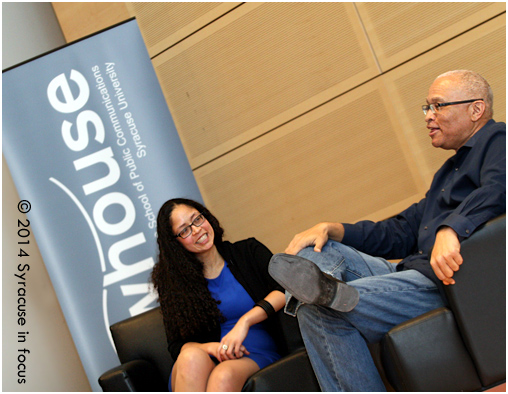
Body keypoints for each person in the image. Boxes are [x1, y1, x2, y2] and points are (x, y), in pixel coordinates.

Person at [269, 70, 506, 391]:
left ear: (476, 110)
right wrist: (332, 228)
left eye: (438, 106)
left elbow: (498, 187)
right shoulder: (448, 172)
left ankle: (317, 296)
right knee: (317, 249)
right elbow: (401, 230)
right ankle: (320, 290)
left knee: (320, 314)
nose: (429, 117)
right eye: (426, 108)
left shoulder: (498, 142)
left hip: (440, 281)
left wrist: (451, 229)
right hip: (408, 268)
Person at [151, 198, 286, 391]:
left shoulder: (247, 251)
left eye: (197, 219)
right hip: (206, 358)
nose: (197, 230)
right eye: (185, 230)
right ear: (175, 244)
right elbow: (176, 345)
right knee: (189, 357)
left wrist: (244, 322)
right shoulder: (175, 285)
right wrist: (213, 348)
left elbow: (283, 289)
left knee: (223, 376)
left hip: (254, 352)